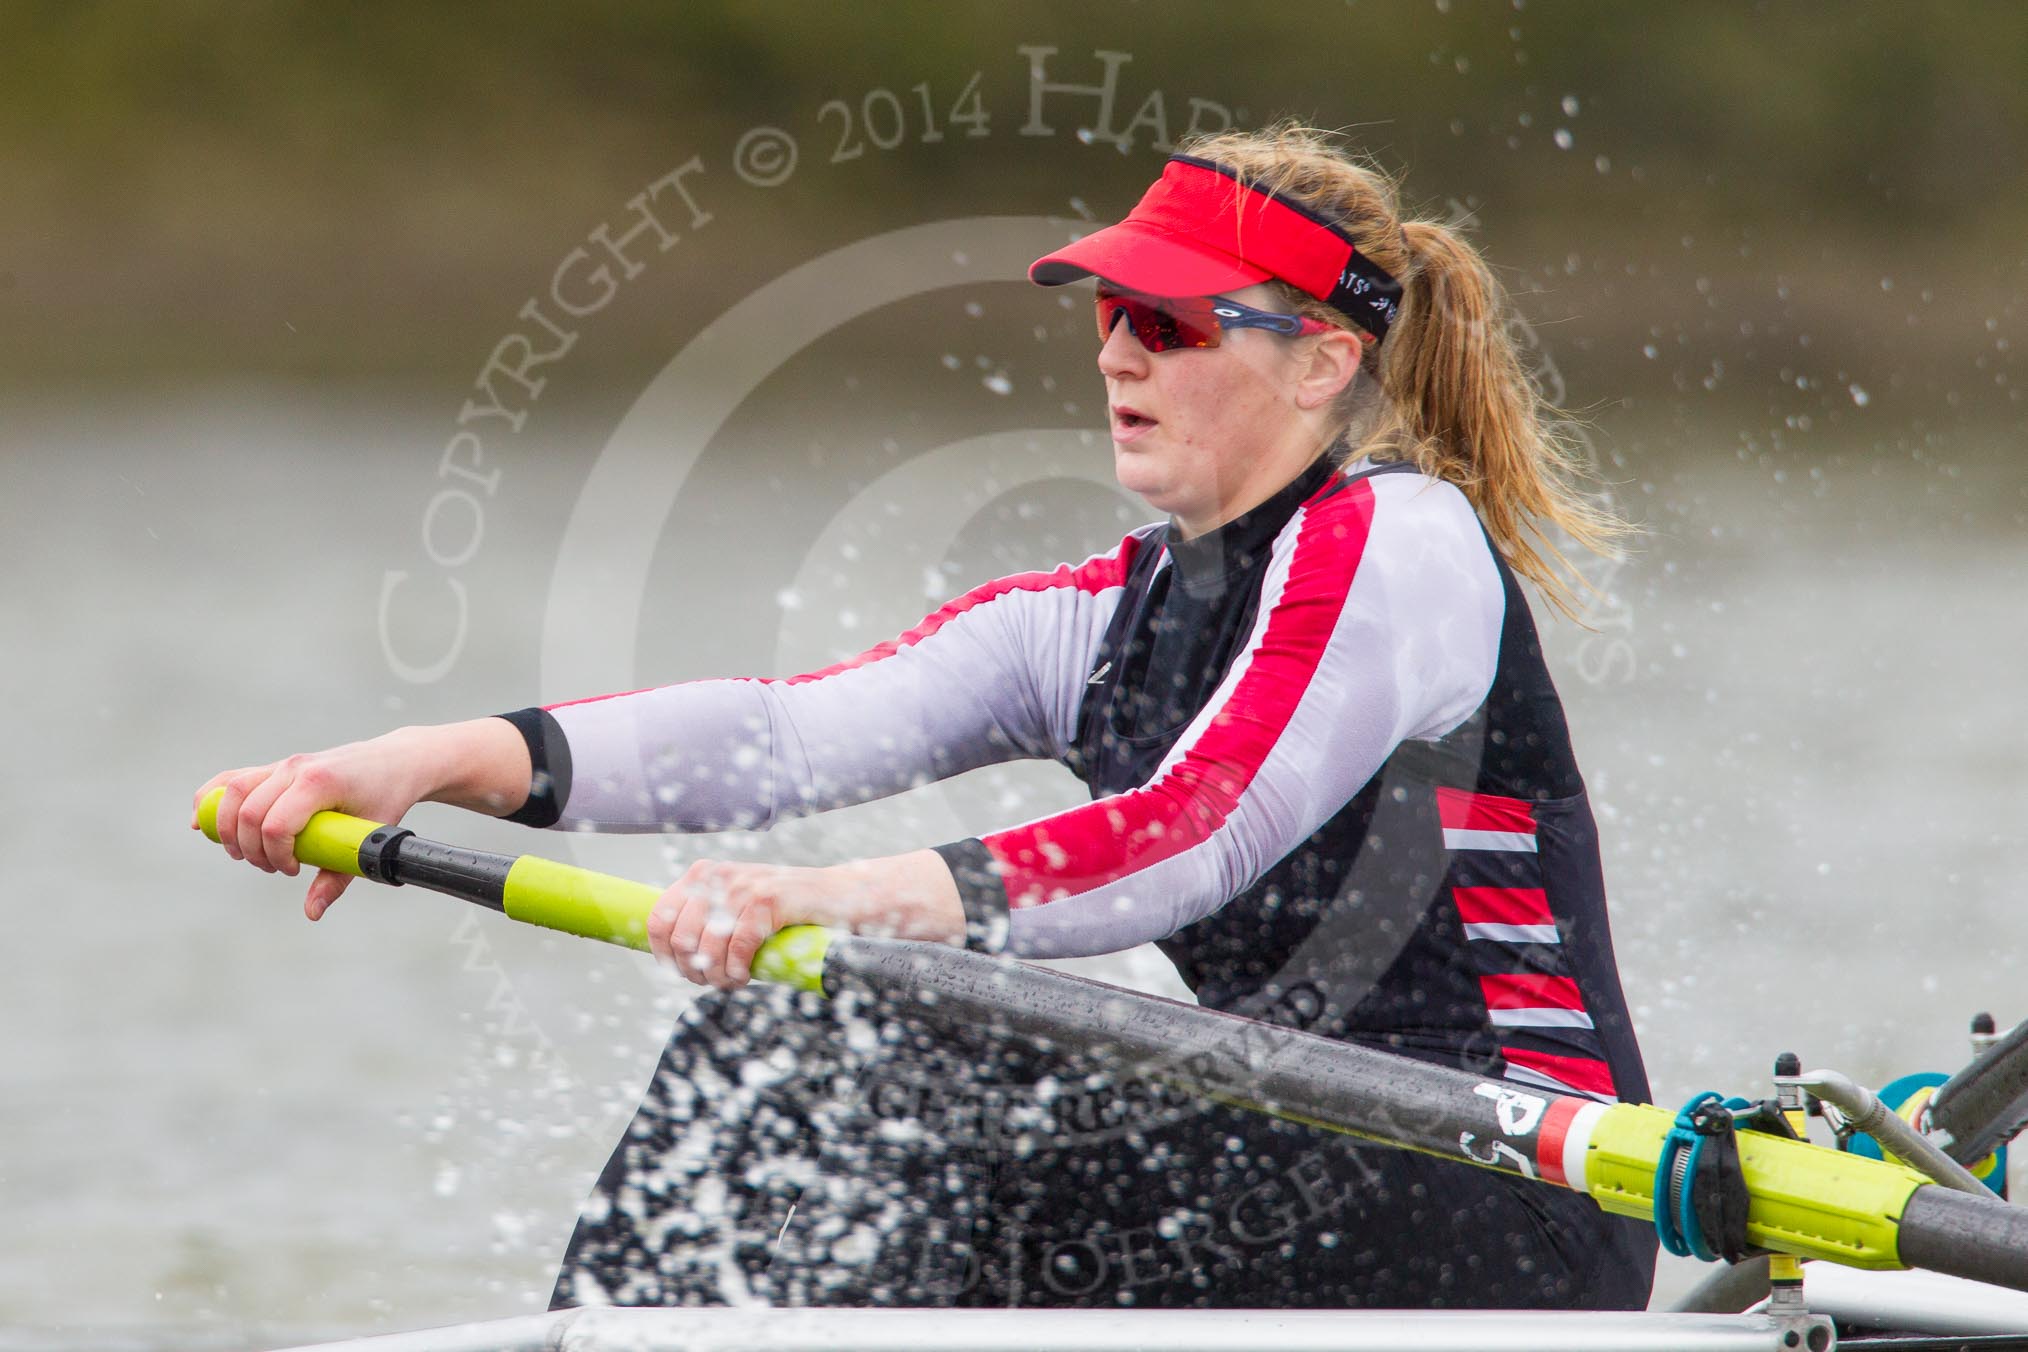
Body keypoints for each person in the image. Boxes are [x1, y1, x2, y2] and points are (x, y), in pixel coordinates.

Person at [195, 122, 1656, 1310]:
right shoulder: (1093, 620)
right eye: (1107, 314)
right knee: (802, 1040)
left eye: (1167, 319)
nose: (1115, 354)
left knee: (881, 1049)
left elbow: (1194, 833)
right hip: (1300, 1155)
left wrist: (839, 899)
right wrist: (420, 759)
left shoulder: (1402, 542)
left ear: (1323, 359)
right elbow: (779, 736)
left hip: (1518, 1201)